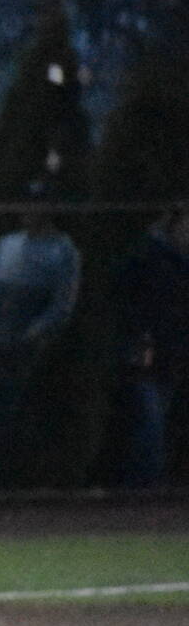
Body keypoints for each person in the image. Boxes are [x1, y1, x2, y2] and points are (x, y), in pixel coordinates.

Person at [0, 186, 81, 489]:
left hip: (22, 347)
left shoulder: (63, 250)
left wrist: (31, 335)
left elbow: (61, 305)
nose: (27, 211)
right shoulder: (8, 242)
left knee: (5, 413)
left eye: (35, 205)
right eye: (25, 204)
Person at [113, 206, 189, 487]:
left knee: (156, 419)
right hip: (146, 350)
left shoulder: (178, 261)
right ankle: (142, 487)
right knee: (149, 420)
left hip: (171, 353)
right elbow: (128, 298)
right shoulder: (149, 256)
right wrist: (141, 338)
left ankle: (145, 485)